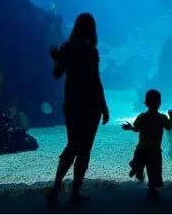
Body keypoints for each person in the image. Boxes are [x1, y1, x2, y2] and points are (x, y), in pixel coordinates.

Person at [47, 13, 110, 204]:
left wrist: (57, 60)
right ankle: (75, 192)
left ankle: (55, 187)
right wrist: (104, 106)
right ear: (92, 29)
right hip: (90, 104)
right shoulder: (91, 51)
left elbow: (56, 75)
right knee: (85, 148)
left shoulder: (66, 48)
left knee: (72, 144)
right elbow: (96, 81)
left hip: (72, 103)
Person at [121, 89, 172, 198]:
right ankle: (151, 187)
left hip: (143, 149)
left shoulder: (143, 116)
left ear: (146, 103)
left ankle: (136, 169)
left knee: (142, 164)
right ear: (160, 103)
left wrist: (130, 127)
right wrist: (171, 116)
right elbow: (169, 127)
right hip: (155, 150)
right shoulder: (162, 117)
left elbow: (136, 129)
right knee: (154, 171)